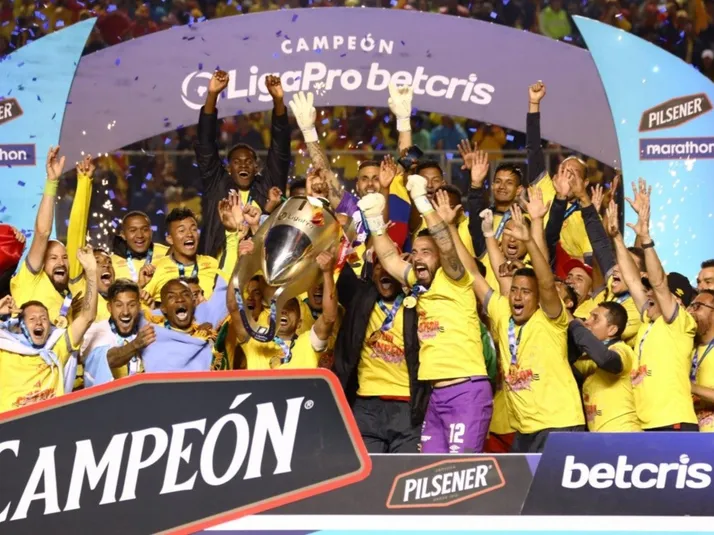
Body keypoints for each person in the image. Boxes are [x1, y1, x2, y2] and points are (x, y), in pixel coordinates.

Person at [360, 176, 492, 454]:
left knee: (459, 473)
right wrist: (373, 219)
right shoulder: (417, 283)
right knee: (430, 471)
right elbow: (389, 259)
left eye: (426, 253)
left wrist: (422, 202)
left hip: (466, 392)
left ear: (439, 258)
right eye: (416, 252)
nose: (418, 257)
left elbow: (447, 246)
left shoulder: (455, 279)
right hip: (435, 396)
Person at [464, 204, 584, 452]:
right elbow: (473, 274)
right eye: (515, 291)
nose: (517, 296)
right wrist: (450, 227)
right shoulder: (502, 312)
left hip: (560, 424)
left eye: (526, 292)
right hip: (524, 430)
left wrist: (529, 240)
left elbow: (547, 283)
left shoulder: (551, 317)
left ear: (538, 297)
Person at [607, 186, 698, 432]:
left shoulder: (680, 323)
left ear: (676, 300)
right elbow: (633, 280)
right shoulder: (649, 318)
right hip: (648, 424)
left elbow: (658, 284)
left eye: (656, 293)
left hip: (673, 422)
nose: (648, 293)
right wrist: (617, 238)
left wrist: (646, 238)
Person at [334, 252, 428, 453]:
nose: (385, 272)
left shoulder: (419, 304)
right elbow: (339, 275)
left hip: (407, 407)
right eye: (379, 267)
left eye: (390, 268)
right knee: (367, 471)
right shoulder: (359, 300)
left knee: (407, 470)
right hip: (365, 405)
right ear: (372, 273)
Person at [196, 70, 290, 257]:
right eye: (237, 162)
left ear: (256, 168)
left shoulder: (268, 187)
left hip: (259, 267)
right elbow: (205, 143)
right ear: (228, 168)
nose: (243, 165)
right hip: (219, 270)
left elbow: (280, 149)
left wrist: (278, 101)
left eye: (248, 162)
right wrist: (212, 95)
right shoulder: (217, 185)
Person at [0, 246, 99, 412]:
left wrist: (91, 271)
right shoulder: (5, 349)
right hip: (11, 424)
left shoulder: (56, 347)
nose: (39, 322)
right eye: (32, 319)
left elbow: (87, 317)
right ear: (20, 325)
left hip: (50, 423)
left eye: (44, 318)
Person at [228, 250, 337, 370]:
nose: (284, 311)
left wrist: (327, 272)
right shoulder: (254, 339)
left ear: (299, 323)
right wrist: (241, 262)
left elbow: (329, 318)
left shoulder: (309, 342)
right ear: (269, 319)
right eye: (279, 308)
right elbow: (233, 305)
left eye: (291, 309)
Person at [10, 147, 80, 326]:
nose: (61, 262)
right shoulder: (31, 278)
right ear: (41, 262)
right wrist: (52, 182)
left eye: (64, 257)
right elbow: (42, 233)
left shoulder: (69, 299)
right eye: (53, 258)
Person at [142, 206, 241, 302]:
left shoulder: (212, 263)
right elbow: (141, 302)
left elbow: (227, 279)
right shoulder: (156, 269)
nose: (189, 234)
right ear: (170, 239)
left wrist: (232, 232)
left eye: (194, 229)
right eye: (182, 230)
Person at [570, 302, 641, 432]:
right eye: (589, 317)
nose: (587, 322)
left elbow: (606, 359)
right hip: (600, 436)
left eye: (595, 318)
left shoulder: (622, 349)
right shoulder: (588, 359)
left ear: (612, 330)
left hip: (624, 433)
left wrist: (575, 326)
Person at [80, 279, 156, 385]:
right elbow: (108, 359)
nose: (125, 312)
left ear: (139, 307)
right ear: (109, 308)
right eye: (119, 305)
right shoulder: (95, 332)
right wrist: (135, 345)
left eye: (131, 305)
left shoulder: (146, 328)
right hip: (106, 395)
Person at [111, 211, 170, 283]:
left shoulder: (167, 253)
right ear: (123, 235)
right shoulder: (111, 263)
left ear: (151, 232)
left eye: (145, 230)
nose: (140, 235)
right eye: (133, 230)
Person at [689, 290, 714, 432]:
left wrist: (692, 388)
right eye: (691, 306)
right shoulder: (690, 349)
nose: (691, 311)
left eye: (697, 306)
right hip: (694, 435)